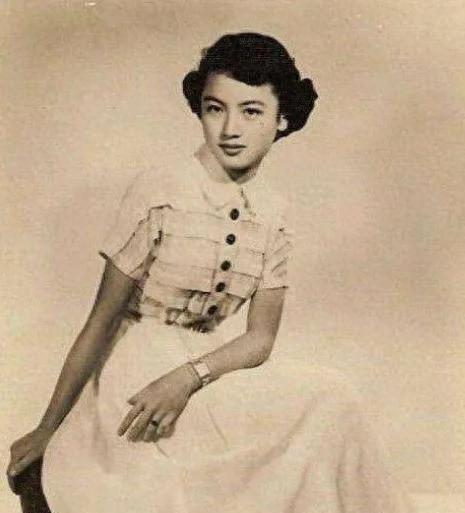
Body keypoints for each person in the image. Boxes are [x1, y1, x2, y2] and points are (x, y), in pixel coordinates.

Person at [7, 32, 413, 513]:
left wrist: (189, 377)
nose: (229, 129)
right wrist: (48, 428)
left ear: (282, 119)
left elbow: (260, 339)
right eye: (215, 109)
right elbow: (101, 319)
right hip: (133, 374)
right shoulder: (161, 190)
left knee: (333, 399)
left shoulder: (273, 213)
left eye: (251, 111)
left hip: (204, 371)